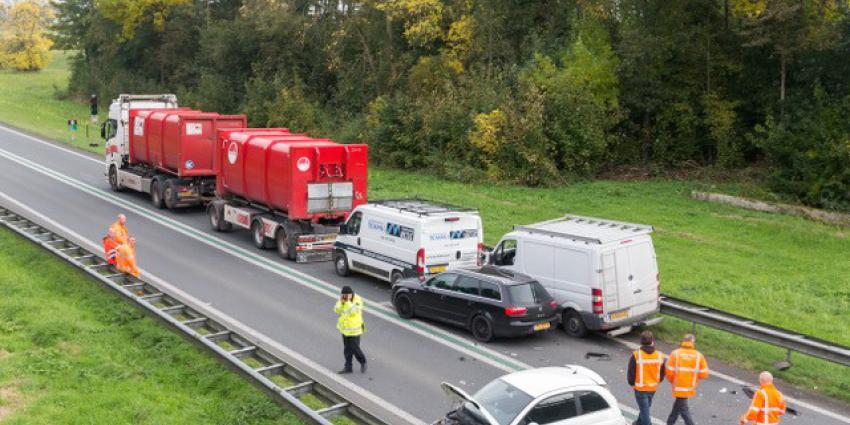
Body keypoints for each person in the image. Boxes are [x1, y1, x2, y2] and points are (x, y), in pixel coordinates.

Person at [665, 334, 709, 425]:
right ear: (692, 342)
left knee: (680, 406)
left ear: (683, 341)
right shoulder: (698, 355)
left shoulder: (675, 353)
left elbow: (669, 372)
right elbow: (704, 373)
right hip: (690, 386)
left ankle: (670, 422)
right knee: (683, 408)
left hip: (677, 385)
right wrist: (695, 378)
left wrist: (673, 381)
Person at [627, 331, 665, 425]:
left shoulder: (636, 355)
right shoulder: (660, 355)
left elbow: (631, 372)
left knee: (645, 411)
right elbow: (662, 372)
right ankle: (638, 422)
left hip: (640, 389)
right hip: (653, 388)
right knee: (645, 408)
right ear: (652, 341)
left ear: (641, 342)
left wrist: (632, 383)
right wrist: (658, 380)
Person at [334, 286, 366, 374]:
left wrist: (347, 302)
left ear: (351, 294)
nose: (345, 297)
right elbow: (336, 310)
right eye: (343, 295)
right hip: (345, 329)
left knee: (355, 348)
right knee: (347, 349)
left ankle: (363, 361)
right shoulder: (342, 299)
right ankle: (348, 367)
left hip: (355, 329)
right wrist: (341, 303)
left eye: (347, 295)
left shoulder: (357, 300)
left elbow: (353, 311)